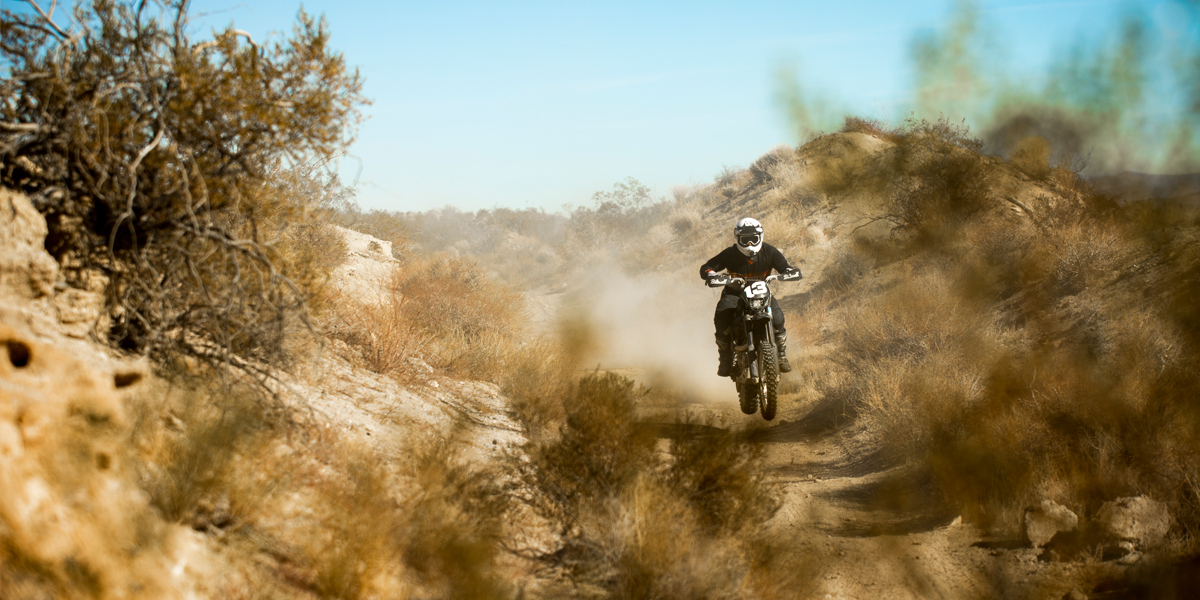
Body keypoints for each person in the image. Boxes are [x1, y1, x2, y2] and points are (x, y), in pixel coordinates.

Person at [699, 217, 801, 377]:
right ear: (737, 239)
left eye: (754, 240)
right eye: (745, 240)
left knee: (778, 317)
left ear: (760, 237)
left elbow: (786, 268)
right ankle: (725, 358)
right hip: (734, 294)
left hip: (761, 293)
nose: (750, 245)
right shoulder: (730, 254)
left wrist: (790, 272)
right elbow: (706, 267)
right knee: (721, 317)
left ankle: (781, 355)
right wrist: (711, 274)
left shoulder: (769, 251)